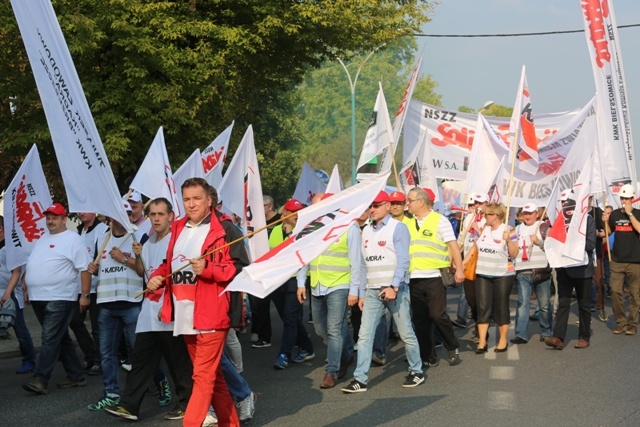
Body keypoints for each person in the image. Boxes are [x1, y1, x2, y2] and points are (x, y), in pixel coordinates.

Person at [147, 178, 250, 427]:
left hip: (212, 313)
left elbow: (241, 269)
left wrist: (209, 268)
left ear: (209, 200)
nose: (191, 204)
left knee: (202, 377)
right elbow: (171, 262)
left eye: (196, 198)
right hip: (184, 313)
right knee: (214, 377)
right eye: (186, 199)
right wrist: (158, 277)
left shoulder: (226, 229)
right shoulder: (178, 227)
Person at [103, 198, 194, 421]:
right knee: (140, 359)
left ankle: (187, 404)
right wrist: (137, 255)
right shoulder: (148, 238)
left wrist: (161, 279)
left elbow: (179, 271)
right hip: (149, 311)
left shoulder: (177, 240)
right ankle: (129, 406)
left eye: (160, 214)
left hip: (169, 310)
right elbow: (142, 271)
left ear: (171, 216)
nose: (155, 218)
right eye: (152, 214)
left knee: (177, 362)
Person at [342, 191, 424, 393]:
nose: (372, 209)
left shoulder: (398, 228)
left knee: (406, 333)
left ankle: (417, 371)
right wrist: (361, 292)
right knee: (364, 336)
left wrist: (393, 286)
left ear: (387, 206)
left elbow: (404, 260)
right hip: (371, 291)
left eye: (376, 205)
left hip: (395, 290)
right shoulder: (366, 231)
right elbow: (362, 265)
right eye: (370, 206)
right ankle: (360, 379)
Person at [22, 203, 91, 394]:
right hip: (38, 297)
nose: (50, 221)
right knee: (59, 338)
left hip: (60, 297)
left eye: (54, 217)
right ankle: (76, 375)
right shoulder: (43, 238)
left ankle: (40, 378)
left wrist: (84, 295)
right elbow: (35, 263)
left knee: (49, 337)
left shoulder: (73, 239)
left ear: (64, 219)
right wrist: (28, 284)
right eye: (48, 217)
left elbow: (84, 269)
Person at [296, 192, 360, 389]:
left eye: (317, 206)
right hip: (316, 285)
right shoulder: (312, 229)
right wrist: (300, 282)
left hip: (339, 285)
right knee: (320, 329)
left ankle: (331, 371)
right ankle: (347, 353)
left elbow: (357, 261)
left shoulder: (349, 226)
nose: (313, 209)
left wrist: (354, 290)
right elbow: (304, 257)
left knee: (333, 329)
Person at [87, 202, 144, 410]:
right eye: (122, 213)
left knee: (140, 351)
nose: (126, 216)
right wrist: (94, 269)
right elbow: (100, 269)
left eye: (128, 213)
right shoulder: (101, 238)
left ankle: (158, 383)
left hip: (131, 303)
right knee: (107, 353)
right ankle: (111, 393)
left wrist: (124, 258)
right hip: (106, 304)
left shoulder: (138, 236)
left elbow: (142, 271)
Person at [405, 187, 464, 367]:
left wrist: (459, 269)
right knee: (420, 319)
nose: (407, 204)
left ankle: (452, 346)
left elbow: (453, 246)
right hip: (413, 277)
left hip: (434, 276)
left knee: (437, 315)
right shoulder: (406, 222)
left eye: (410, 200)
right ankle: (427, 355)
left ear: (420, 202)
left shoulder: (440, 221)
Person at [545, 190, 596, 349]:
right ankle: (558, 337)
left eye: (567, 202)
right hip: (564, 269)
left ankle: (584, 337)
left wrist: (570, 245)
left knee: (583, 304)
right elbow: (553, 243)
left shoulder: (587, 220)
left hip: (582, 270)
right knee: (563, 303)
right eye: (562, 202)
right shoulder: (558, 223)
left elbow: (590, 245)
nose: (564, 205)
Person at [465, 202, 518, 353]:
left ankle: (502, 340)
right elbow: (475, 249)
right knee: (483, 307)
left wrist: (508, 240)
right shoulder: (484, 229)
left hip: (503, 274)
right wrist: (462, 264)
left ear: (495, 216)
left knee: (501, 306)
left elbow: (515, 253)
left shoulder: (509, 229)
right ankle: (482, 341)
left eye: (486, 214)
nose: (484, 217)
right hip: (483, 273)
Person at [269, 198, 315, 370]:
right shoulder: (274, 231)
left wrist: (290, 235)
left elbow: (298, 254)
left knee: (290, 318)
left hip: (297, 279)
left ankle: (284, 354)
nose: (297, 215)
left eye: (299, 211)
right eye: (292, 211)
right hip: (279, 279)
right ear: (284, 213)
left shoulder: (304, 230)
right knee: (289, 318)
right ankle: (307, 347)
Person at [70, 211, 108, 375]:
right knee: (74, 321)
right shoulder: (78, 231)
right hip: (79, 287)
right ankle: (90, 354)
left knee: (98, 327)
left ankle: (100, 361)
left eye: (86, 209)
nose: (82, 213)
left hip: (96, 287)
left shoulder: (102, 229)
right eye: (80, 209)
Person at [511, 203, 553, 345]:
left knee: (544, 304)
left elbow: (553, 248)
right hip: (523, 270)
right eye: (525, 213)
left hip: (541, 271)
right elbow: (512, 248)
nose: (527, 216)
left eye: (530, 213)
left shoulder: (544, 227)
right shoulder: (517, 229)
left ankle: (546, 332)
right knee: (523, 304)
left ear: (537, 213)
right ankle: (521, 334)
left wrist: (539, 242)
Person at [0, 216, 36, 374]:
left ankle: (29, 360)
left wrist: (8, 292)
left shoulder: (11, 247)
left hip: (11, 293)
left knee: (19, 329)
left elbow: (17, 271)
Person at [604, 184, 640, 335]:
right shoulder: (615, 215)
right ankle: (621, 322)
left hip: (635, 261)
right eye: (623, 198)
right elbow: (607, 233)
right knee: (615, 291)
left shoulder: (637, 213)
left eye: (627, 198)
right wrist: (606, 221)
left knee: (634, 294)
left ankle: (632, 323)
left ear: (632, 199)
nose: (624, 201)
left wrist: (630, 215)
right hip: (617, 260)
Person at [249, 195, 280, 348]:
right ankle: (263, 335)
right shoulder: (257, 223)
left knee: (283, 309)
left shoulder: (280, 220)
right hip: (260, 269)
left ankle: (299, 337)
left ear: (269, 206)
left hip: (276, 270)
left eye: (262, 206)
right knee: (259, 304)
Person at [456, 194, 488, 340]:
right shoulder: (469, 218)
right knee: (470, 298)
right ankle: (478, 321)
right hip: (468, 264)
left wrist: (479, 230)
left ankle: (481, 329)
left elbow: (488, 241)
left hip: (482, 264)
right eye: (475, 203)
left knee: (482, 299)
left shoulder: (490, 219)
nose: (477, 206)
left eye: (480, 203)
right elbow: (461, 241)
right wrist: (455, 260)